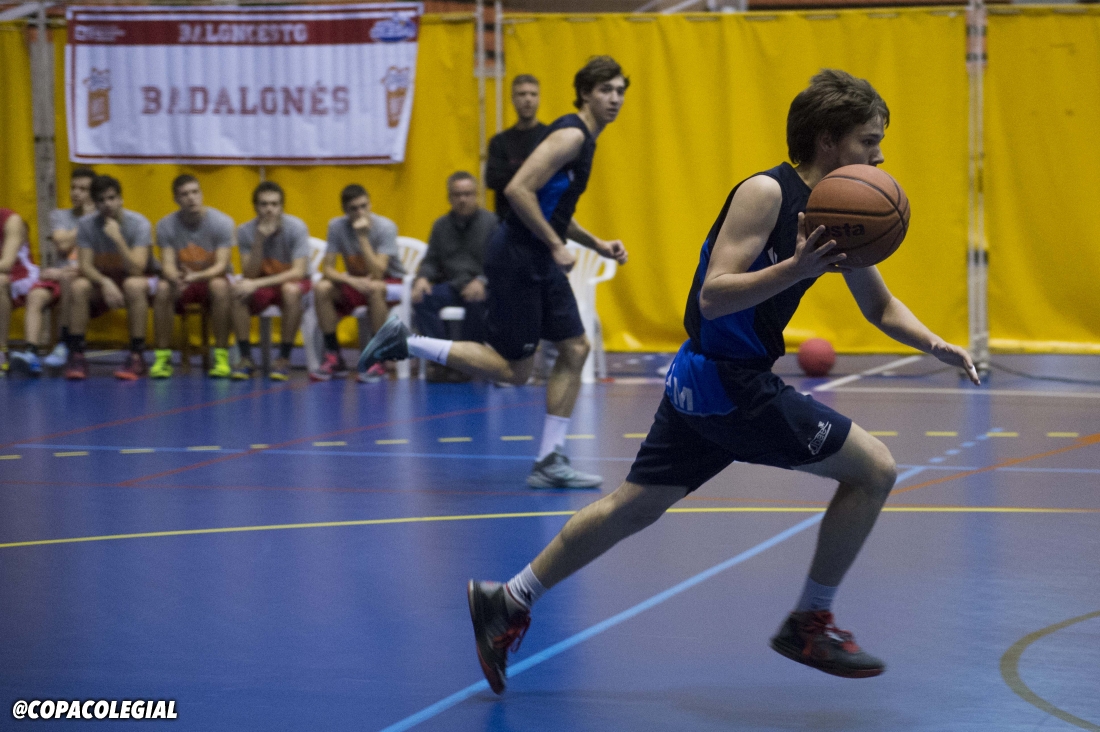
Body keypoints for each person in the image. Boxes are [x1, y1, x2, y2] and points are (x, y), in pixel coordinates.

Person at [464, 69, 983, 694]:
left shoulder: (836, 210)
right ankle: (810, 622)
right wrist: (797, 268)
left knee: (634, 505)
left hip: (705, 381)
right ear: (827, 139)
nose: (879, 157)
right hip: (729, 382)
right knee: (874, 470)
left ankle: (507, 599)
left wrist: (936, 344)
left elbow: (880, 306)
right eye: (868, 141)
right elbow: (714, 295)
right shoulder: (766, 193)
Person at [360, 56, 630, 489]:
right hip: (518, 258)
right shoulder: (571, 136)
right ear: (584, 94)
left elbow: (553, 208)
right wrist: (555, 244)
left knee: (576, 348)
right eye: (605, 90)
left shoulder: (586, 140)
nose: (614, 98)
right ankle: (405, 342)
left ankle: (550, 461)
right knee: (513, 371)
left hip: (539, 257)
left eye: (619, 91)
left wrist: (594, 243)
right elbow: (517, 189)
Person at [65, 175, 158, 380]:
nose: (107, 204)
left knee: (133, 285)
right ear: (95, 204)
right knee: (79, 286)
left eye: (111, 198)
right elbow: (85, 265)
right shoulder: (86, 224)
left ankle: (136, 355)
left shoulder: (139, 224)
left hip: (135, 278)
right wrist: (105, 282)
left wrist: (118, 238)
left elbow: (137, 269)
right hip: (105, 279)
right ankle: (77, 354)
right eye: (101, 200)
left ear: (121, 199)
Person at [311, 184, 404, 382]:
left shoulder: (386, 227)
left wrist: (362, 238)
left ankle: (378, 358)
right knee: (322, 288)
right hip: (357, 281)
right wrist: (349, 279)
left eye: (364, 206)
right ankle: (334, 356)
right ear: (345, 211)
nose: (360, 212)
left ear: (370, 204)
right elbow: (327, 269)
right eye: (354, 208)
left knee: (375, 287)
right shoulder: (336, 226)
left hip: (391, 283)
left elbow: (378, 273)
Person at [410, 171, 497, 382]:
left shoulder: (492, 223)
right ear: (449, 197)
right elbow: (431, 260)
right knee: (422, 298)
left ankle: (468, 363)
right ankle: (440, 358)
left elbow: (501, 262)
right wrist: (422, 277)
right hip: (452, 286)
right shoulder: (440, 225)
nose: (462, 199)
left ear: (476, 195)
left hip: (483, 287)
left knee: (477, 301)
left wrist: (482, 280)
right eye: (457, 195)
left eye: (468, 194)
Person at [150, 175, 236, 378]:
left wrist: (195, 277)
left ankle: (221, 357)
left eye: (195, 192)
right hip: (183, 279)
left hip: (211, 277)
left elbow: (221, 265)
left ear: (201, 194)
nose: (191, 198)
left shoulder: (222, 222)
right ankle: (163, 358)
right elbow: (167, 264)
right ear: (176, 199)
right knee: (163, 288)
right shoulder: (165, 225)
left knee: (220, 287)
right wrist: (175, 278)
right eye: (185, 194)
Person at [231, 181, 310, 381]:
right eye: (264, 204)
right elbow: (249, 274)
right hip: (263, 281)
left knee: (291, 290)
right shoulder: (245, 230)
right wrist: (258, 240)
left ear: (282, 207)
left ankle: (283, 358)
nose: (269, 209)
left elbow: (298, 272)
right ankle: (246, 358)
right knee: (238, 292)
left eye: (274, 204)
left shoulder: (296, 227)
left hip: (292, 282)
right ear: (255, 207)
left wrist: (256, 284)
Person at [35, 167, 98, 369]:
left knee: (70, 280)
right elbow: (63, 245)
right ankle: (31, 352)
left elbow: (100, 259)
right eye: (73, 188)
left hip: (89, 276)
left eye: (83, 189)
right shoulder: (60, 216)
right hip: (63, 276)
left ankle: (65, 343)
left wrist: (90, 218)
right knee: (40, 293)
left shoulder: (104, 218)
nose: (76, 193)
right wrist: (85, 221)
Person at [486, 75, 546, 222]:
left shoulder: (550, 137)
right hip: (508, 221)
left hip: (544, 218)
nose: (528, 99)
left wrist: (512, 172)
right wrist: (534, 174)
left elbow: (554, 179)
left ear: (539, 99)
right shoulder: (499, 142)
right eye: (522, 94)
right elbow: (493, 180)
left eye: (533, 94)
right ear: (513, 99)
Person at [0, 208, 48, 376]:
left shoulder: (11, 220)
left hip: (21, 277)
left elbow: (7, 264)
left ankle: (1, 350)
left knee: (0, 282)